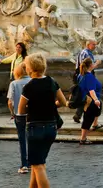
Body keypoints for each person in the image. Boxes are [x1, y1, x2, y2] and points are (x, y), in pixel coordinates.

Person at [19, 53, 68, 188]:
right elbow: (63, 102)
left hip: (35, 128)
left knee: (38, 165)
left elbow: (21, 110)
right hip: (51, 128)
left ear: (30, 68)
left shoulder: (29, 86)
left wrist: (34, 107)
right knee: (39, 163)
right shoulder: (52, 82)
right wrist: (51, 104)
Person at [7, 62, 31, 174]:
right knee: (32, 138)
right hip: (32, 114)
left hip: (19, 115)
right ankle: (33, 162)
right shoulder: (33, 82)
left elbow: (10, 102)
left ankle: (24, 164)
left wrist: (12, 113)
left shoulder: (14, 84)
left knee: (22, 139)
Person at [78, 58, 103, 144]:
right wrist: (96, 99)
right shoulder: (89, 76)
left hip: (86, 99)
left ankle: (95, 125)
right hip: (90, 101)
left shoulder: (81, 74)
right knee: (88, 118)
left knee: (91, 115)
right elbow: (91, 90)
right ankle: (83, 139)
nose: (94, 65)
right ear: (90, 66)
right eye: (93, 63)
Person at [73, 39, 99, 123]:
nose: (95, 46)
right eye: (93, 44)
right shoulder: (86, 53)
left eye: (95, 44)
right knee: (88, 95)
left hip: (83, 76)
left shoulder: (86, 52)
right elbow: (88, 67)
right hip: (85, 76)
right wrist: (97, 63)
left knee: (85, 96)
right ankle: (90, 119)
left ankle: (78, 115)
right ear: (88, 45)